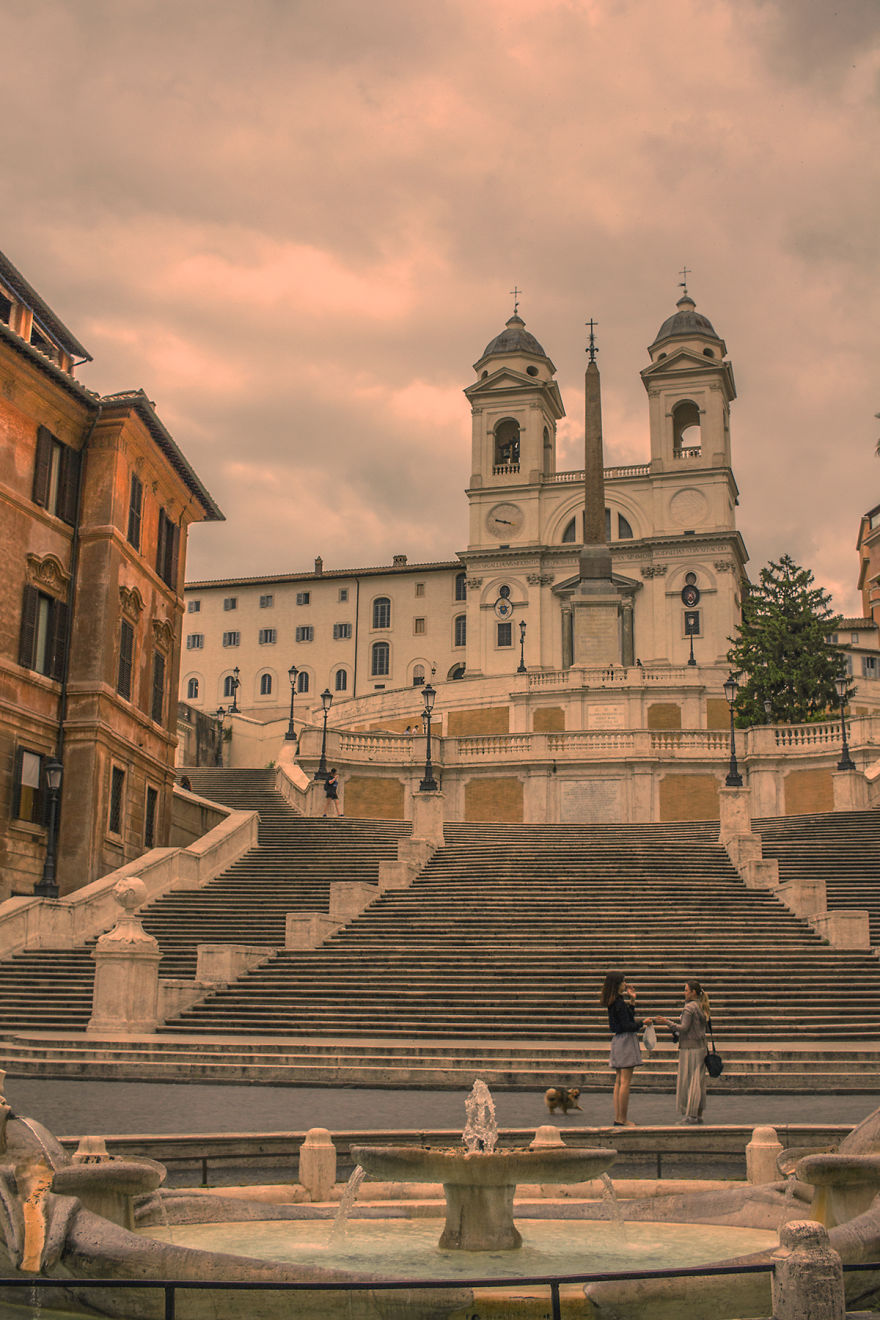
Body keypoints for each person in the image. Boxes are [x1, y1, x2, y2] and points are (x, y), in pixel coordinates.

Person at [600, 971, 653, 1127]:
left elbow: (625, 1019)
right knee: (625, 1082)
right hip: (626, 1041)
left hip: (617, 1041)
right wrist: (643, 1022)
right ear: (617, 984)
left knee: (619, 1082)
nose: (625, 984)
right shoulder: (619, 1003)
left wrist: (632, 1000)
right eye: (623, 982)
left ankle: (619, 1117)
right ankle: (622, 1118)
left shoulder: (613, 1002)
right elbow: (627, 1024)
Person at [656, 981, 711, 1124]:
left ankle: (691, 1115)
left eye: (686, 990)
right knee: (698, 1081)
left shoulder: (689, 1008)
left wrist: (667, 1022)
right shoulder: (701, 1006)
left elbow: (684, 1028)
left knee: (689, 1080)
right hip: (701, 1047)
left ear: (693, 992)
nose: (684, 993)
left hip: (689, 1047)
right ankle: (697, 1113)